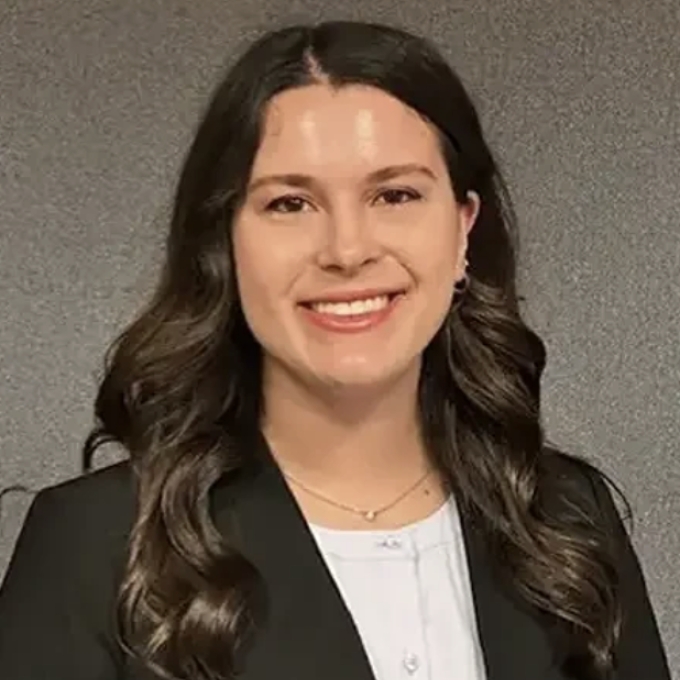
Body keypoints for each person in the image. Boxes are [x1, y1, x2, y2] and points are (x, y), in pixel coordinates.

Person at [0, 19, 671, 680]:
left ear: (464, 228)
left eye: (395, 194)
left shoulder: (567, 525)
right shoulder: (95, 546)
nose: (348, 251)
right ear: (225, 242)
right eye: (291, 204)